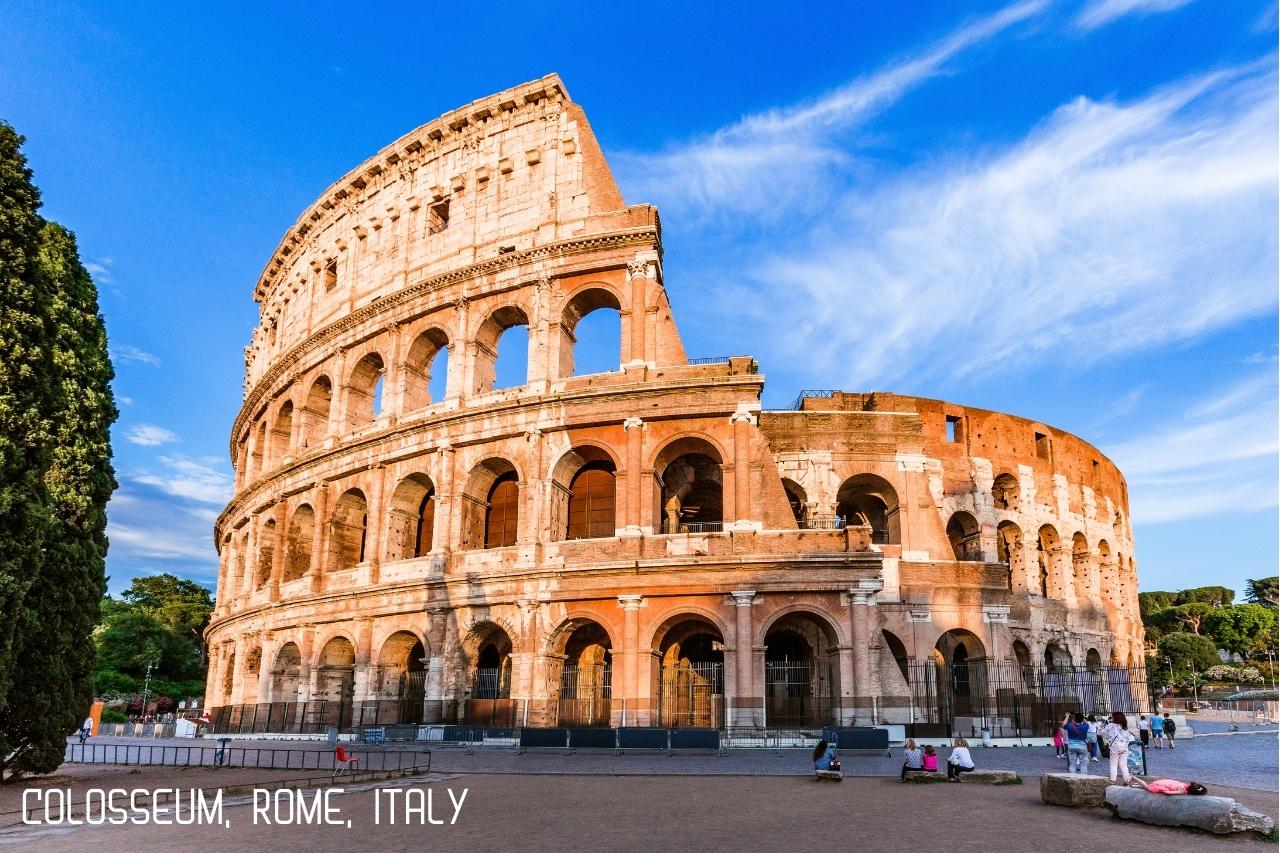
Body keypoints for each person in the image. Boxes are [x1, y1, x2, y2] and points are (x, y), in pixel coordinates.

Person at [1100, 711, 1135, 785]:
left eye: (1112, 716)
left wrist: (1102, 725)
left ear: (1114, 717)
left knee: (1113, 764)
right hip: (1124, 747)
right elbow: (1127, 737)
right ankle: (1126, 780)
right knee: (1123, 765)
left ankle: (1113, 780)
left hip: (1115, 746)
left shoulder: (1111, 725)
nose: (1111, 717)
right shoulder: (1124, 726)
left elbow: (1101, 733)